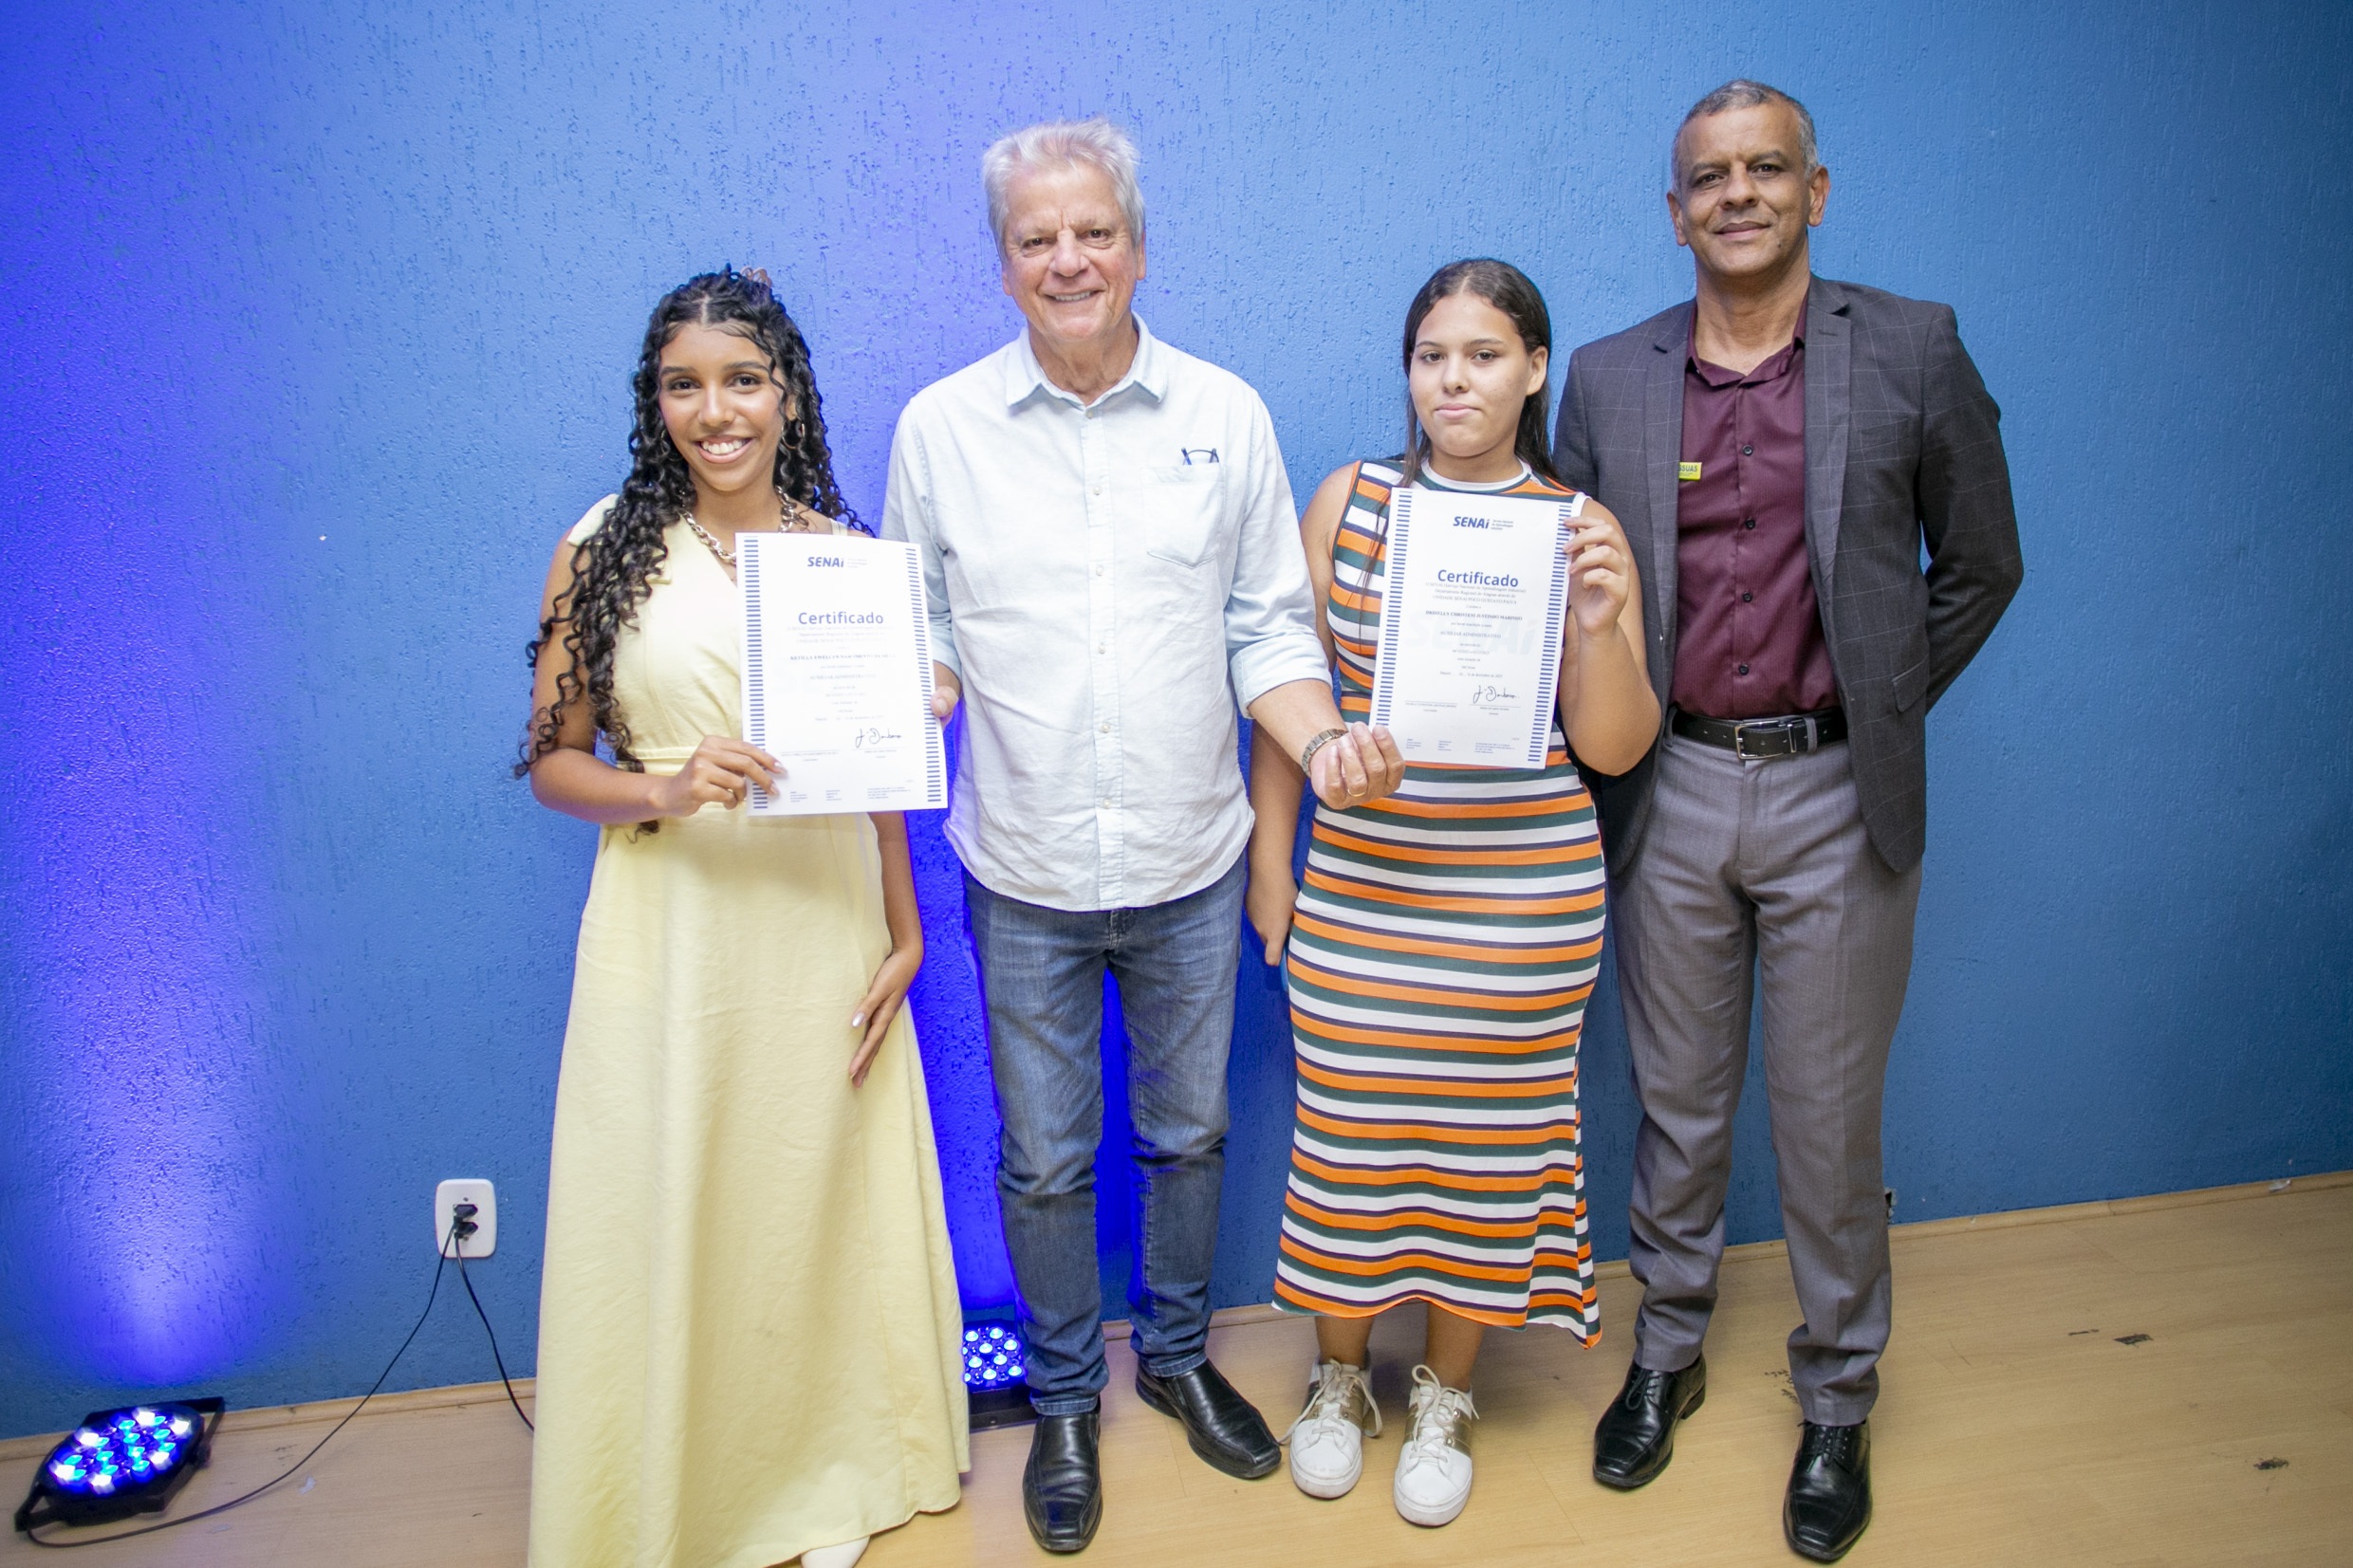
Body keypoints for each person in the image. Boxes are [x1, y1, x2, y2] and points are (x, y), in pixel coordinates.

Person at [882, 118, 1404, 1555]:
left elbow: (1268, 629)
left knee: (1190, 1134)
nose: (1069, 259)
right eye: (1037, 238)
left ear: (1140, 248)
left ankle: (1174, 1358)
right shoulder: (939, 431)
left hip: (1190, 857)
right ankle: (1064, 1398)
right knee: (1046, 1162)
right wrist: (901, 691)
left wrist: (1323, 738)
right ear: (1003, 265)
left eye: (1093, 231)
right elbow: (921, 630)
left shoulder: (1225, 415)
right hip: (1025, 866)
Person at [1554, 82, 2024, 1562]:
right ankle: (1668, 1350)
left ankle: (1836, 1398)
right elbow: (1567, 602)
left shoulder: (1913, 346)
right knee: (1678, 1105)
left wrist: (1878, 697)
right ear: (1675, 211)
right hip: (1672, 780)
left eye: (1768, 169)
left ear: (1816, 192)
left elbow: (1984, 564)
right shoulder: (1607, 379)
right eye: (1710, 176)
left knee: (1828, 1123)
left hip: (1838, 788)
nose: (1739, 193)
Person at [519, 267, 967, 1568]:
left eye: (743, 380)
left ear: (789, 396)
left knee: (805, 1203)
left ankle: (829, 1472)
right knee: (684, 1196)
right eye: (685, 384)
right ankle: (684, 1496)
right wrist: (665, 785)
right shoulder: (601, 546)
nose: (715, 410)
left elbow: (877, 775)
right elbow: (553, 765)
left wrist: (906, 932)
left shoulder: (845, 558)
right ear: (655, 401)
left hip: (822, 920)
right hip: (677, 924)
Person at [1246, 259, 1658, 1528]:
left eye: (1484, 355)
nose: (1455, 380)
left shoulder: (1578, 526)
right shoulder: (1348, 502)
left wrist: (1602, 620)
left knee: (1488, 1153)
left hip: (1521, 901)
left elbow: (1616, 747)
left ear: (1535, 368)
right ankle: (1336, 1379)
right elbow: (1283, 690)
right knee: (1348, 1141)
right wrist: (1273, 864)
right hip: (1364, 887)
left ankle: (1447, 1392)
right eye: (1433, 356)